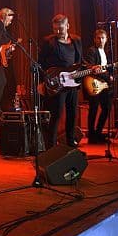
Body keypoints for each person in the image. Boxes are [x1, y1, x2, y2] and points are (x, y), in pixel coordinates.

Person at [38, 14, 83, 149]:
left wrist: (92, 68)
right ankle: (51, 147)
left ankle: (70, 143)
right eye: (55, 29)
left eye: (60, 29)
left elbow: (80, 61)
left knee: (72, 114)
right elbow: (40, 63)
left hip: (72, 82)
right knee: (56, 114)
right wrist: (42, 82)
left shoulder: (76, 40)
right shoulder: (48, 42)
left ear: (67, 26)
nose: (57, 31)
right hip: (56, 83)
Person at [83, 29, 112, 143]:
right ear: (94, 39)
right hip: (94, 83)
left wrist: (109, 76)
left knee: (106, 108)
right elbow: (91, 68)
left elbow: (105, 68)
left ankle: (98, 133)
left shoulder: (107, 52)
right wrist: (107, 76)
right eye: (98, 38)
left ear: (106, 39)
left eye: (103, 38)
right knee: (94, 108)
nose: (100, 40)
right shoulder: (92, 51)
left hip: (104, 84)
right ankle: (91, 135)